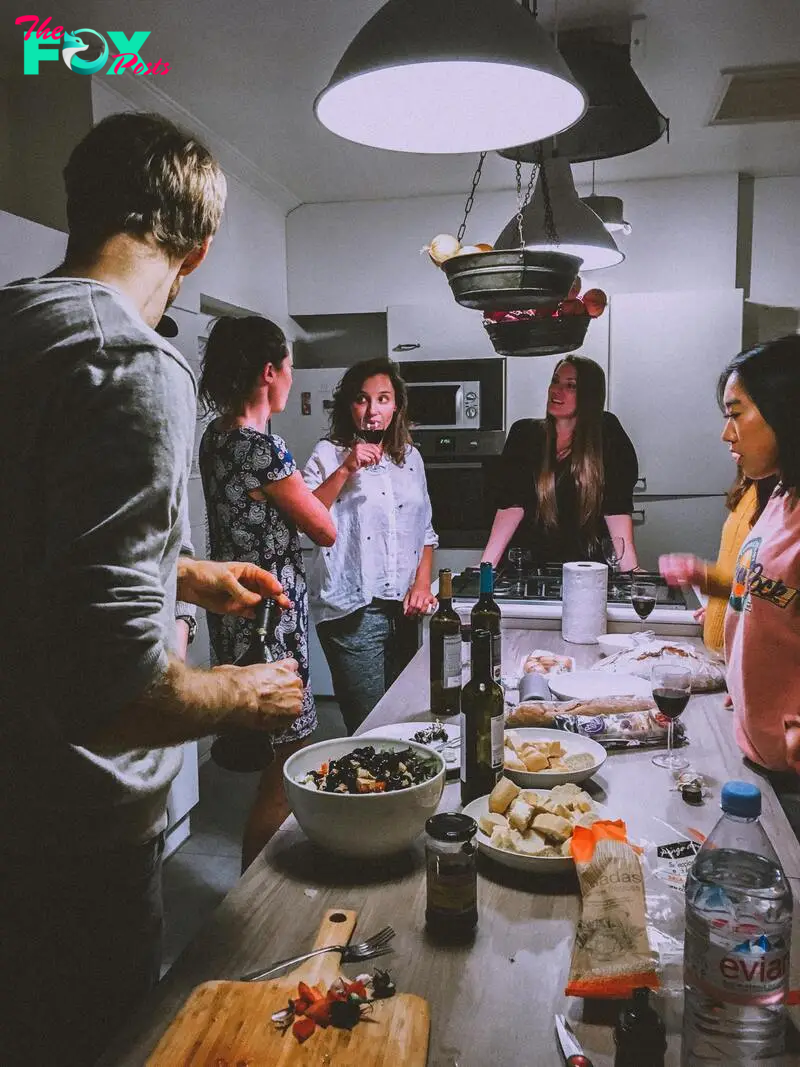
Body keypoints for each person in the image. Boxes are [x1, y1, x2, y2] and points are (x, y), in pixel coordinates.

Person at [0, 112, 304, 1067]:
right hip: (69, 841)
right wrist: (247, 695)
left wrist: (181, 570)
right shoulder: (130, 360)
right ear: (197, 249)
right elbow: (119, 691)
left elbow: (26, 543)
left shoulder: (16, 325)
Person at [198, 315, 336, 868]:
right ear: (268, 371)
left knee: (275, 756)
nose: (291, 382)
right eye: (289, 370)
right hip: (271, 620)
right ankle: (252, 900)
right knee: (290, 760)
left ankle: (261, 882)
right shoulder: (264, 449)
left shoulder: (218, 439)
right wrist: (346, 473)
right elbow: (322, 528)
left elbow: (293, 509)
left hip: (236, 614)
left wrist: (343, 467)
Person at [302, 358, 438, 733]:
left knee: (405, 722)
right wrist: (346, 469)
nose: (372, 410)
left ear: (396, 406)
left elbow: (425, 529)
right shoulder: (327, 453)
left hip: (404, 613)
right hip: (352, 610)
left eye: (383, 399)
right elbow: (307, 518)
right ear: (350, 405)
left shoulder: (410, 458)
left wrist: (421, 585)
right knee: (370, 728)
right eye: (362, 400)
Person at [714, 336, 800, 825]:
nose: (727, 434)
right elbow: (770, 599)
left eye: (737, 413)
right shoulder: (782, 496)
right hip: (758, 759)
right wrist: (748, 682)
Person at [482, 356, 640, 570]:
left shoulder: (607, 434)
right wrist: (485, 566)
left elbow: (616, 510)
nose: (556, 391)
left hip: (587, 570)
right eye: (555, 381)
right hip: (529, 567)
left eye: (571, 386)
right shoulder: (524, 435)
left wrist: (630, 571)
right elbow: (511, 507)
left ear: (589, 396)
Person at [660, 469, 777, 653]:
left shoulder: (784, 500)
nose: (727, 438)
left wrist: (705, 577)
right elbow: (742, 574)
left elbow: (776, 595)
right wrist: (718, 610)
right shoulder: (749, 487)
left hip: (751, 660)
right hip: (722, 656)